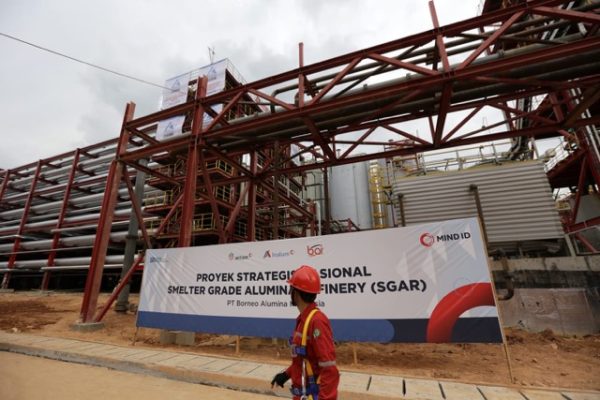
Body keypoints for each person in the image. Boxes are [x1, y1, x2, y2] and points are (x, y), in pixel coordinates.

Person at [271, 265, 340, 400]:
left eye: (291, 288)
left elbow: (329, 370)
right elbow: (303, 360)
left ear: (296, 293)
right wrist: (286, 374)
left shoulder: (317, 321)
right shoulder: (304, 320)